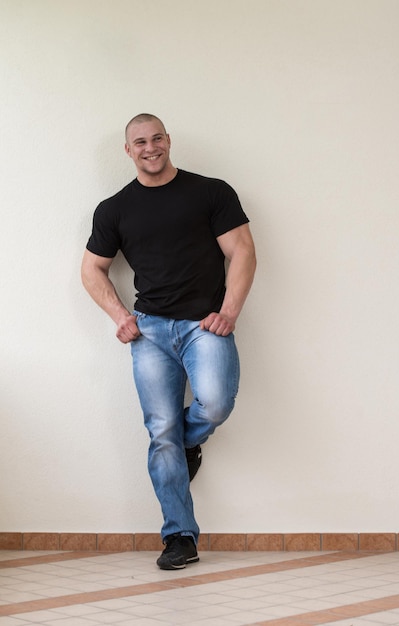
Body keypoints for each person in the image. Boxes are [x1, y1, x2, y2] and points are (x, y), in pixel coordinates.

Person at [81, 113, 256, 570]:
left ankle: (184, 443)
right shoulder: (114, 209)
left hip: (205, 325)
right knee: (159, 432)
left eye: (157, 138)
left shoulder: (211, 192)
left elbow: (242, 250)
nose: (150, 147)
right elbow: (91, 269)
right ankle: (179, 536)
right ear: (128, 150)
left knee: (215, 404)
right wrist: (120, 316)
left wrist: (230, 311)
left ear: (168, 141)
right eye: (139, 141)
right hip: (150, 331)